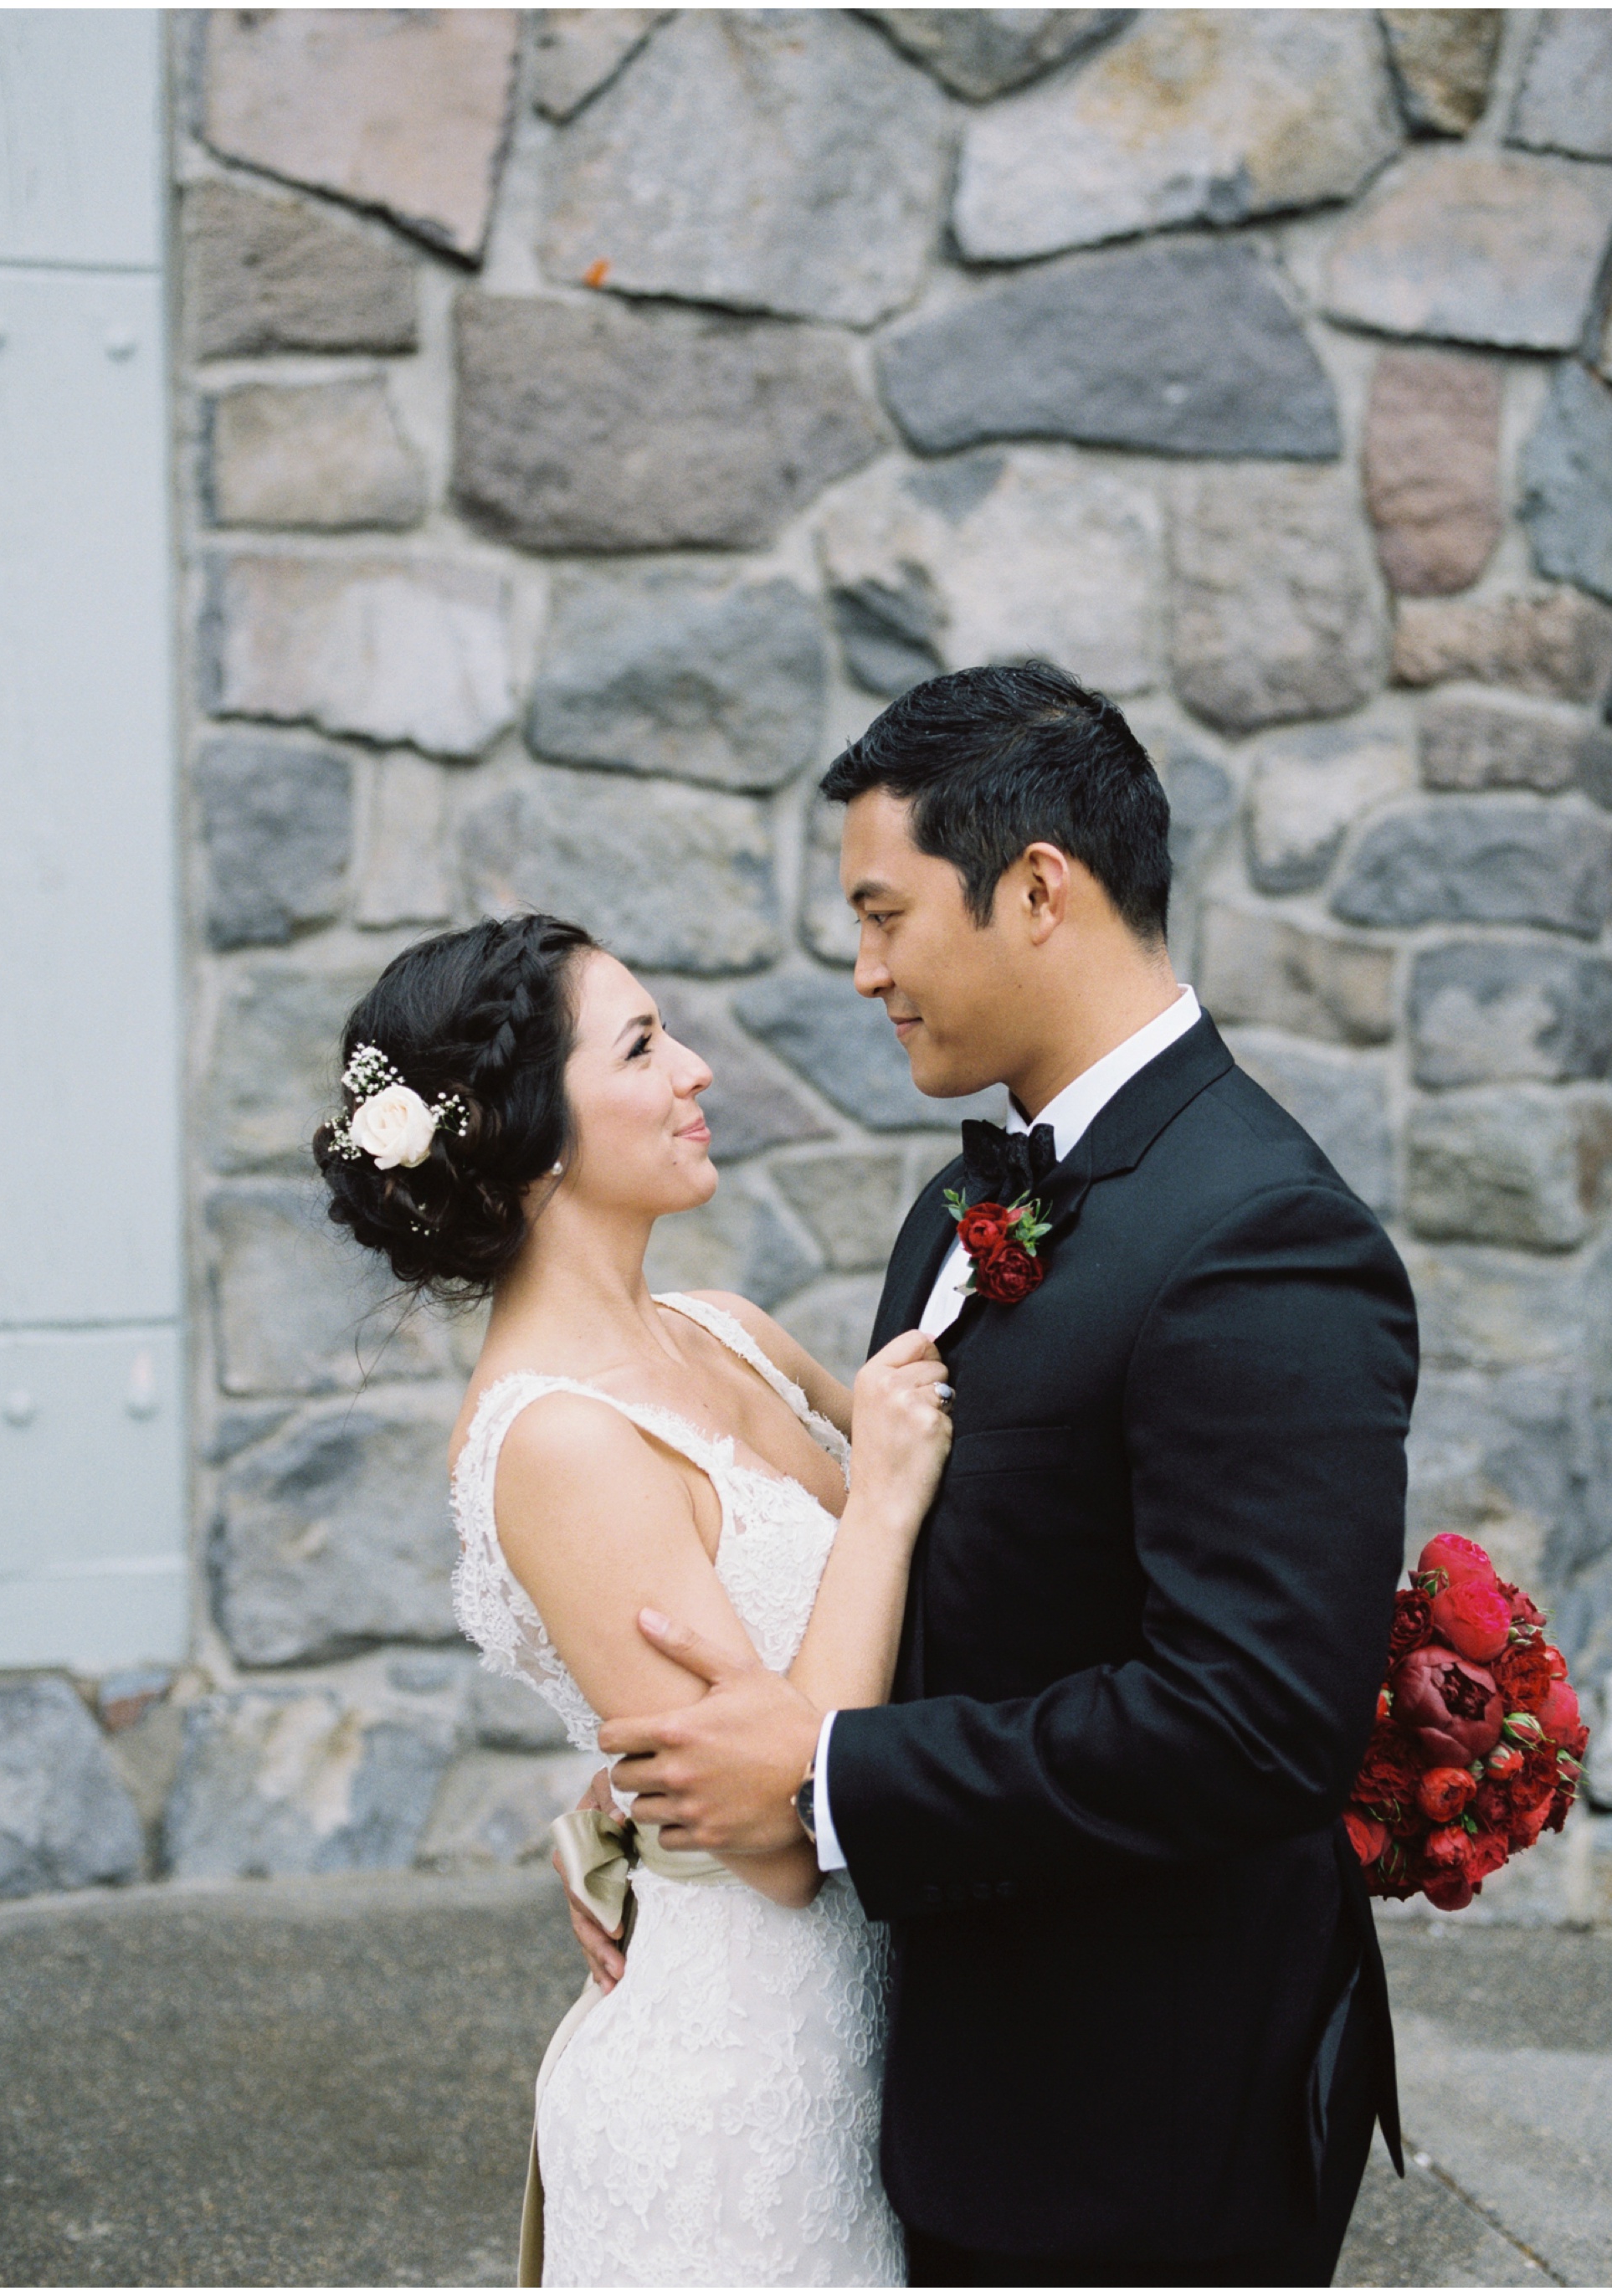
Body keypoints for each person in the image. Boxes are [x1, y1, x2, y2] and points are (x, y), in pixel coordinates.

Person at [583, 662, 1419, 2287]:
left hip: (1135, 2139)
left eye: (885, 913)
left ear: (1037, 887)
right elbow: (930, 1599)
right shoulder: (951, 1216)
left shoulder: (1264, 1238)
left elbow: (1251, 1727)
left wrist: (822, 1776)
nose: (862, 967)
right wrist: (663, 1821)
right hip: (950, 2082)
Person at [313, 912, 956, 2286]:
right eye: (647, 1045)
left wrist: (614, 1808)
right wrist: (885, 1501)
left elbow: (949, 1600)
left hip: (888, 2054)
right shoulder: (556, 1443)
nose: (700, 1070)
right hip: (737, 2117)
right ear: (532, 1130)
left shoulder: (729, 1329)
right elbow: (782, 1840)